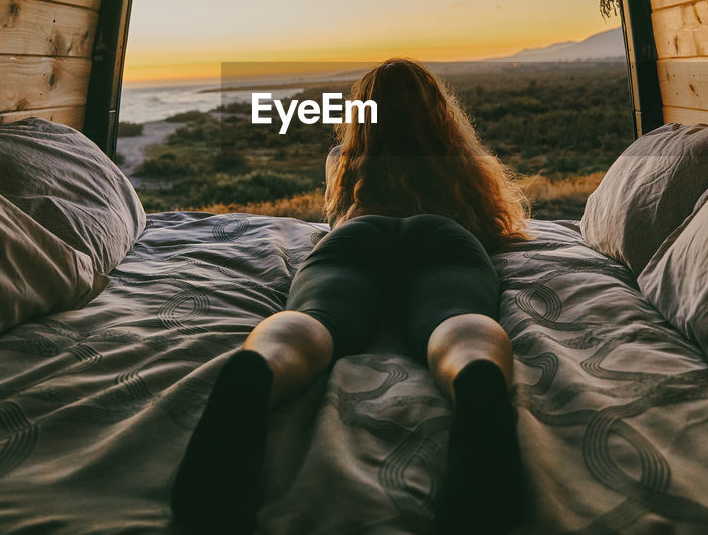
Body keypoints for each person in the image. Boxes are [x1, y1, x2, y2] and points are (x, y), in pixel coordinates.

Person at [170, 58, 530, 534]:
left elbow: (336, 219)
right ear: (439, 112)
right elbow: (491, 226)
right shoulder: (458, 158)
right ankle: (475, 373)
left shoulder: (342, 158)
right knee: (457, 319)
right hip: (444, 238)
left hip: (358, 237)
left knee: (314, 318)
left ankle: (260, 367)